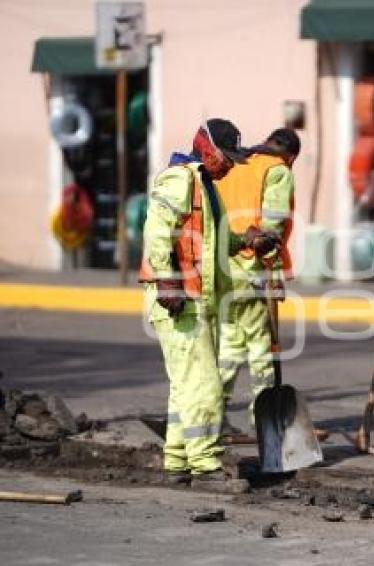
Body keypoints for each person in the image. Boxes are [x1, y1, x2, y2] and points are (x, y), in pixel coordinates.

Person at [139, 119, 276, 486]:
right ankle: (206, 467)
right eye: (226, 157)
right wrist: (167, 280)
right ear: (207, 149)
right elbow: (157, 229)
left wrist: (247, 241)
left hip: (195, 299)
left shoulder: (205, 187)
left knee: (185, 385)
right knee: (204, 385)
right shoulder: (181, 179)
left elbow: (213, 243)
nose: (230, 165)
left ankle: (178, 461)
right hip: (180, 299)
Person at [214, 128, 300, 430]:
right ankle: (265, 421)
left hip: (225, 266)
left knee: (231, 346)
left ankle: (213, 414)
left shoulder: (236, 164)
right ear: (290, 156)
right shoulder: (277, 170)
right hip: (253, 267)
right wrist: (273, 272)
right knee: (261, 348)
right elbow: (272, 227)